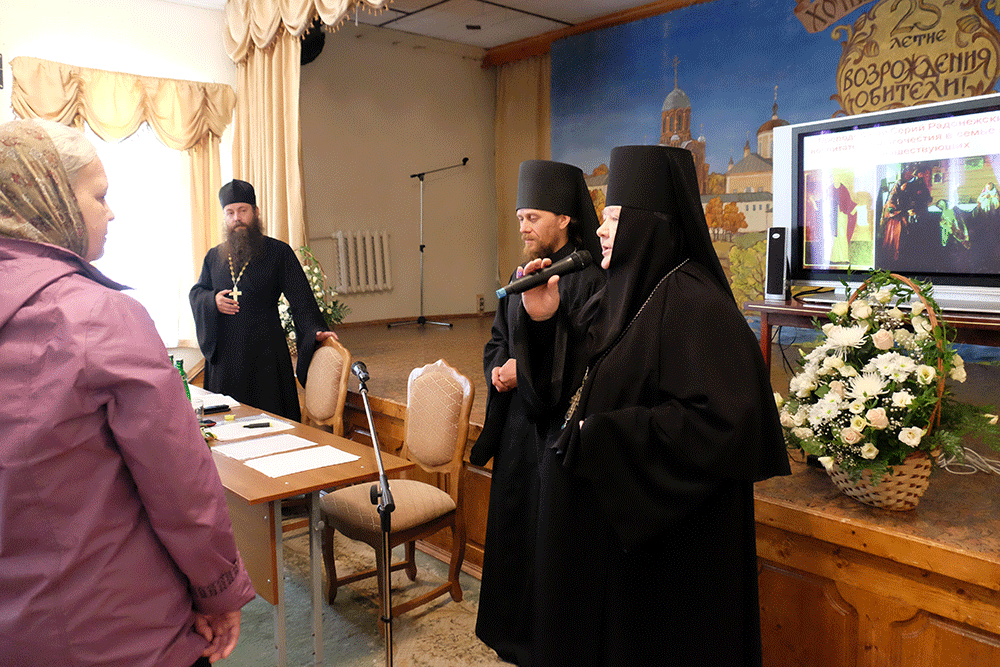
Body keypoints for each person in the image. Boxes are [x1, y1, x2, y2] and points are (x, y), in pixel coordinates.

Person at [514, 145, 791, 666]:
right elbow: (576, 385)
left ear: (649, 225)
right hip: (612, 538)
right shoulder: (623, 292)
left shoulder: (695, 302)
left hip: (663, 556)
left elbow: (724, 423)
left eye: (614, 219)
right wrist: (547, 320)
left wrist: (608, 435)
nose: (600, 229)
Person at [0, 118, 255, 667]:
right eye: (99, 196)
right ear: (48, 200)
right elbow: (180, 485)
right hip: (117, 629)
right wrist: (218, 590)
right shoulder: (97, 317)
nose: (111, 212)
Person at [471, 159, 605, 665]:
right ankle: (508, 636)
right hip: (517, 432)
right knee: (513, 534)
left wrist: (521, 370)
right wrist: (498, 370)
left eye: (533, 217)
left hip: (557, 434)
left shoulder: (590, 279)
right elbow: (497, 340)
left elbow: (585, 360)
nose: (523, 227)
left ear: (565, 219)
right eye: (520, 218)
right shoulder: (519, 275)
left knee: (548, 545)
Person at [189, 179, 335, 421]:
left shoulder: (278, 252)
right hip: (227, 361)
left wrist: (313, 330)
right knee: (228, 424)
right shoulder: (214, 257)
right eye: (230, 212)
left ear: (255, 212)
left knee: (274, 422)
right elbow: (197, 293)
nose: (237, 218)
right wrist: (212, 301)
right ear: (225, 217)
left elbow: (300, 298)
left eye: (243, 211)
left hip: (267, 355)